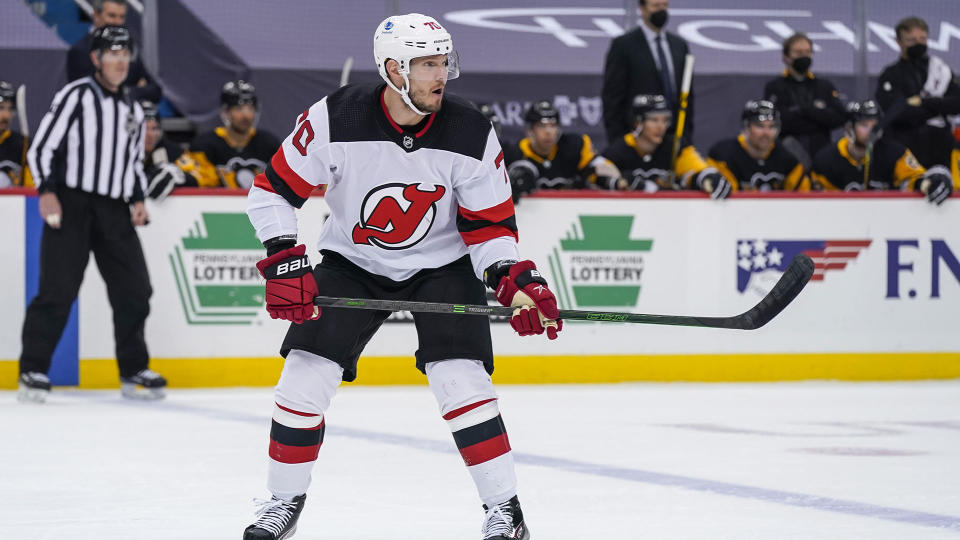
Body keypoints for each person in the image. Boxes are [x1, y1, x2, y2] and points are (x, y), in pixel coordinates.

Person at [241, 13, 558, 540]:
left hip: (444, 266)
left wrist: (514, 279)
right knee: (303, 377)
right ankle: (281, 502)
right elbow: (273, 191)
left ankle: (506, 511)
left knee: (462, 382)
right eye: (427, 64)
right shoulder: (332, 118)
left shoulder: (471, 132)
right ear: (393, 69)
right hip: (354, 263)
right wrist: (284, 256)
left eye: (443, 61)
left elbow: (490, 227)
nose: (442, 74)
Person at [19, 26, 166, 403]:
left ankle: (132, 369)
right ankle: (32, 369)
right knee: (58, 290)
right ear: (97, 59)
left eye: (124, 53)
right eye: (111, 53)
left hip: (115, 210)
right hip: (72, 204)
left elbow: (133, 162)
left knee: (136, 290)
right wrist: (47, 191)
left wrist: (137, 199)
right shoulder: (76, 95)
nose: (119, 60)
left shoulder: (133, 106)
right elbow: (42, 147)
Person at [811, 100, 952, 204]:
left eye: (875, 125)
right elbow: (822, 202)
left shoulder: (895, 152)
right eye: (864, 125)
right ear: (849, 128)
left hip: (886, 224)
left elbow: (913, 178)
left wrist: (930, 182)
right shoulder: (826, 159)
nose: (872, 131)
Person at [876, 16, 960, 182]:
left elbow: (957, 103)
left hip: (940, 147)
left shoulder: (941, 70)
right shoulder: (890, 74)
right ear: (899, 42)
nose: (918, 43)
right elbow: (897, 112)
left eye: (922, 38)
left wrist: (923, 102)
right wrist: (938, 107)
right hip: (905, 148)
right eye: (911, 40)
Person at [599, 94, 730, 198]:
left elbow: (696, 170)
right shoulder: (618, 151)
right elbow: (596, 178)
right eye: (654, 120)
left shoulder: (675, 146)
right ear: (637, 122)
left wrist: (707, 177)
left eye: (665, 120)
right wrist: (617, 183)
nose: (661, 127)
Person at [602, 0, 694, 143]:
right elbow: (613, 97)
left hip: (674, 135)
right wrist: (618, 141)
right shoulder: (624, 45)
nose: (661, 10)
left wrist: (685, 135)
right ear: (642, 9)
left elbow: (687, 93)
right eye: (656, 6)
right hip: (637, 137)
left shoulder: (679, 45)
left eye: (664, 5)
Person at [503, 100, 618, 201]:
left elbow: (606, 170)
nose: (548, 132)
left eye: (553, 125)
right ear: (529, 131)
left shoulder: (573, 146)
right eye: (542, 126)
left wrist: (612, 181)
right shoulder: (515, 153)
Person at [763, 33, 845, 166]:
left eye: (807, 52)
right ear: (785, 57)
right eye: (798, 52)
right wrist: (818, 118)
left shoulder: (824, 86)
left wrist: (804, 111)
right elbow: (779, 121)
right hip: (787, 153)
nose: (804, 56)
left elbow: (839, 117)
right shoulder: (775, 87)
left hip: (821, 152)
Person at [188, 80, 280, 189]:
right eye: (238, 109)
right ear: (225, 112)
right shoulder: (204, 145)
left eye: (250, 108)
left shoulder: (269, 144)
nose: (246, 115)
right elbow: (197, 180)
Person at [66, 0, 161, 103]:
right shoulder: (80, 51)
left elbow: (155, 91)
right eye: (112, 16)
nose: (117, 22)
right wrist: (134, 89)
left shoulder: (130, 47)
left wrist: (124, 91)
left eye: (122, 17)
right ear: (96, 15)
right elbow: (88, 94)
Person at [708, 99, 809, 192]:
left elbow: (805, 198)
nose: (766, 133)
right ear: (746, 127)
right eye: (760, 126)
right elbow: (724, 198)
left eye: (772, 126)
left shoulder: (788, 158)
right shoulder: (723, 156)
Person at [140, 100, 201, 200]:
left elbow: (198, 176)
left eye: (154, 128)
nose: (150, 135)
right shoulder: (119, 152)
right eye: (143, 128)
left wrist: (179, 175)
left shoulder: (172, 151)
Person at [0, 80, 32, 188]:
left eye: (10, 109)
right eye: (1, 108)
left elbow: (31, 191)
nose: (6, 116)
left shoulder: (22, 145)